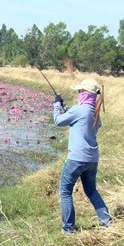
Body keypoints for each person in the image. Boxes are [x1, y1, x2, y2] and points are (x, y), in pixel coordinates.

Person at [52, 78, 112, 234]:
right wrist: (67, 109)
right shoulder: (95, 112)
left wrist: (57, 105)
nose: (78, 94)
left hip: (77, 158)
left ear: (84, 93)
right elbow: (81, 122)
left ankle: (68, 229)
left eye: (80, 91)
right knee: (92, 191)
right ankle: (107, 222)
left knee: (65, 191)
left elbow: (58, 121)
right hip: (92, 159)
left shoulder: (79, 109)